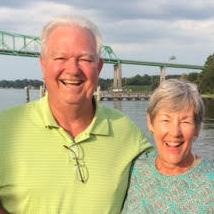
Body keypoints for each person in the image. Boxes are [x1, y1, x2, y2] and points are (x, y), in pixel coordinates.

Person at [0, 15, 152, 214]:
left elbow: (169, 174)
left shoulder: (126, 131)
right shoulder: (5, 129)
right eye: (60, 58)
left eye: (85, 59)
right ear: (43, 64)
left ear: (99, 67)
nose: (72, 70)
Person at [122, 79, 214, 214]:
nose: (175, 132)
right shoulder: (135, 170)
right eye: (166, 120)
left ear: (198, 128)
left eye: (185, 121)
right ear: (150, 122)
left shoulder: (210, 179)